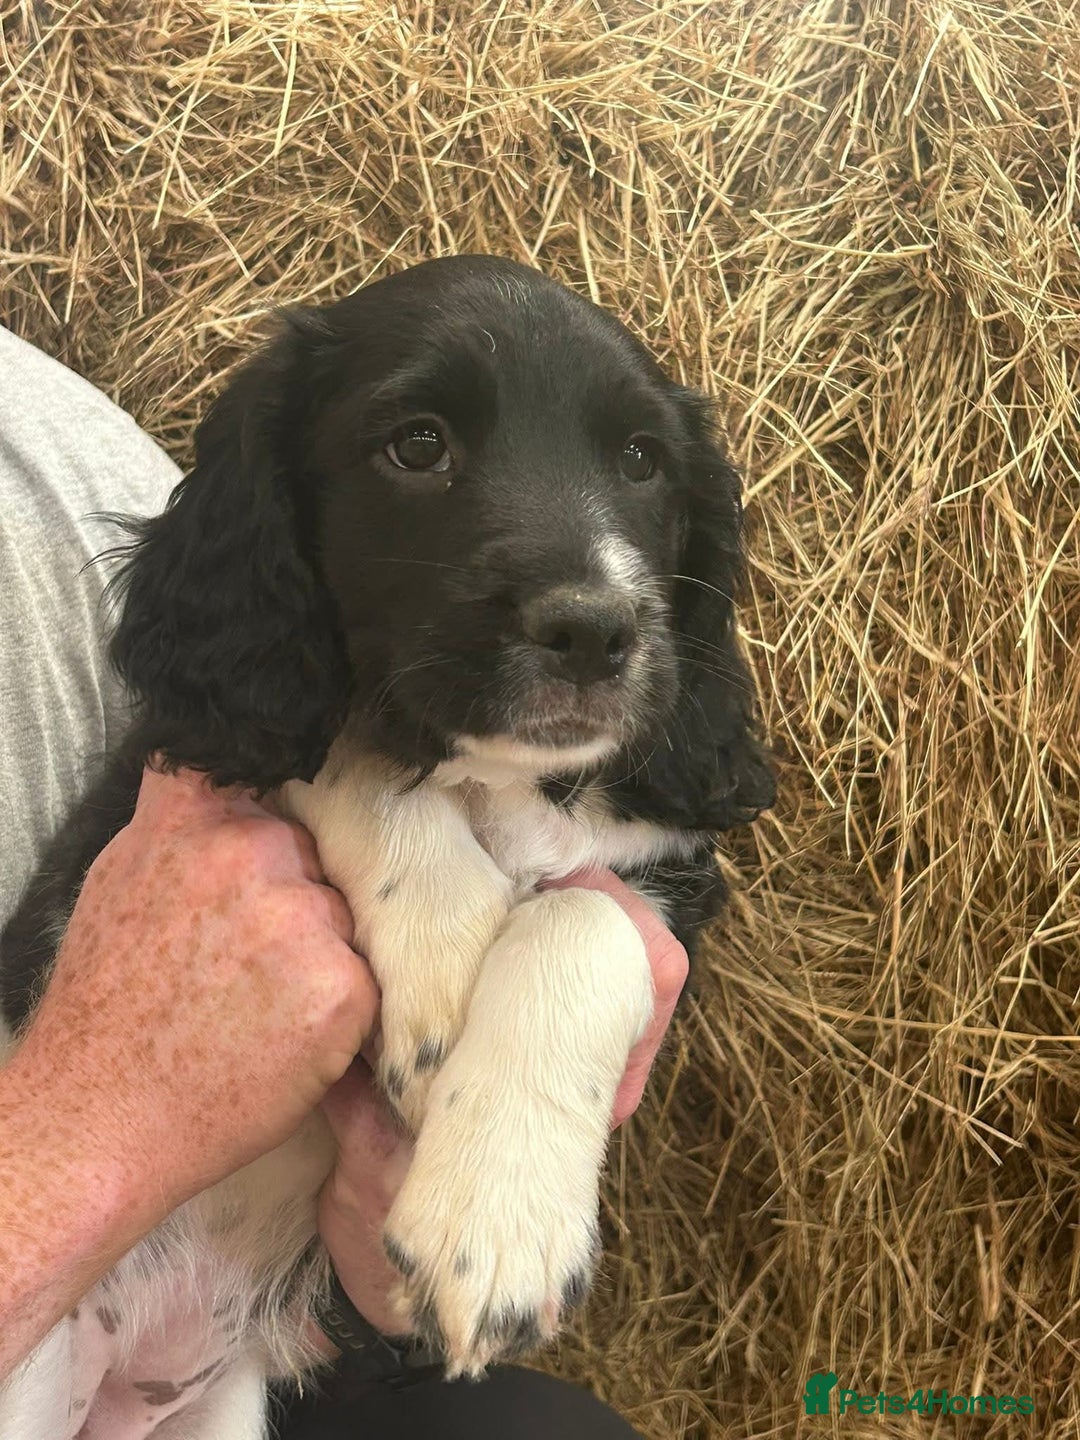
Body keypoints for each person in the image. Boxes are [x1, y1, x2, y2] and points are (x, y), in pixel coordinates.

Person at [0, 325, 689, 1437]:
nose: (590, 591)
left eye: (642, 462)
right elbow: (231, 732)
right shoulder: (236, 535)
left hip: (238, 1364)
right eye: (419, 443)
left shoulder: (72, 460)